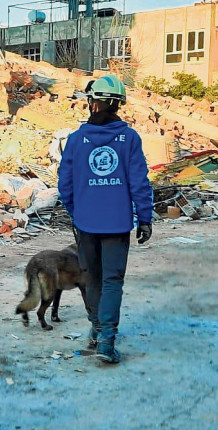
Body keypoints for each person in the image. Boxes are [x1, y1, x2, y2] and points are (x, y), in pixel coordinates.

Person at [57, 75, 153, 364]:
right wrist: (145, 218)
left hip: (86, 224)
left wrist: (76, 212)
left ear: (93, 103)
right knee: (112, 280)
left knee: (93, 278)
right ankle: (107, 342)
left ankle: (97, 330)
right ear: (118, 105)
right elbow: (139, 182)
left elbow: (65, 184)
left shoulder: (76, 140)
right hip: (117, 224)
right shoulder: (130, 139)